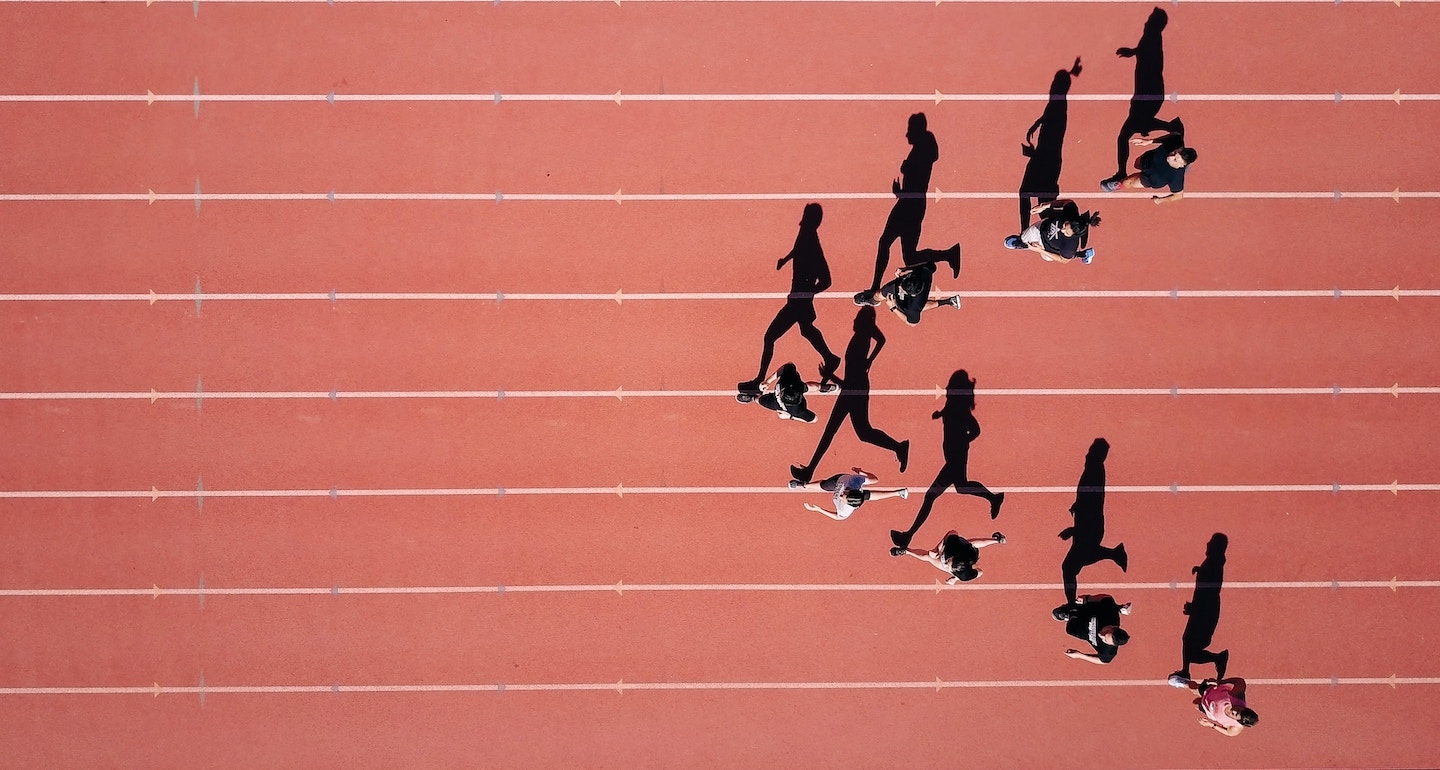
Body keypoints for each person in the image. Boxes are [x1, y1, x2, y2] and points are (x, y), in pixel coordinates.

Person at [789, 307, 910, 484]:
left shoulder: (862, 338)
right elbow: (881, 340)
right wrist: (869, 360)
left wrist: (831, 375)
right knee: (859, 432)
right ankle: (809, 471)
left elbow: (851, 381)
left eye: (857, 319)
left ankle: (899, 447)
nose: (854, 322)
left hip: (855, 389)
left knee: (848, 432)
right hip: (855, 388)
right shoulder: (864, 335)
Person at [890, 370, 1005, 550]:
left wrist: (962, 441)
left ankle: (908, 536)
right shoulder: (952, 405)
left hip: (956, 459)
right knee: (961, 487)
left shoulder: (961, 410)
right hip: (953, 456)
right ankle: (994, 498)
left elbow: (976, 430)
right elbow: (950, 414)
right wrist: (940, 414)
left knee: (930, 496)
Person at [855, 113, 961, 306]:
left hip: (909, 205)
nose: (907, 135)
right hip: (912, 203)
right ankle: (948, 254)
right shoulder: (925, 147)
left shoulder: (924, 148)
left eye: (910, 129)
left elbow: (919, 172)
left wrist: (905, 178)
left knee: (887, 243)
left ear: (917, 130)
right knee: (907, 254)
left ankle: (874, 291)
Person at [738, 203, 842, 395]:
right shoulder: (805, 235)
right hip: (797, 300)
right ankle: (830, 357)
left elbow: (827, 280)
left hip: (797, 302)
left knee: (770, 336)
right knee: (807, 330)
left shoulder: (812, 241)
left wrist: (807, 294)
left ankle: (759, 381)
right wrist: (785, 260)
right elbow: (798, 249)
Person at [1101, 8, 1186, 193]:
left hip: (1149, 97)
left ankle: (1121, 172)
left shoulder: (1153, 38)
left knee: (1125, 135)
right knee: (1138, 129)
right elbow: (1149, 56)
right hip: (1149, 98)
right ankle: (1173, 133)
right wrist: (1134, 52)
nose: (1146, 23)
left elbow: (1155, 62)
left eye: (1149, 21)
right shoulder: (1151, 38)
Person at [1060, 439, 1128, 604]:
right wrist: (1077, 505)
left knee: (1069, 568)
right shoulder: (1093, 470)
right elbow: (1088, 499)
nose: (1087, 454)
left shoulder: (1094, 471)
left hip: (1089, 529)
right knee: (1077, 562)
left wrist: (1073, 530)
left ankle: (1072, 606)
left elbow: (1092, 504)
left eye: (1090, 451)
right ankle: (1115, 553)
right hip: (1089, 527)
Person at [1018, 58, 1082, 232]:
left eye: (1054, 83)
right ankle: (1027, 231)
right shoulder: (1057, 103)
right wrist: (1037, 123)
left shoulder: (1059, 106)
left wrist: (1033, 154)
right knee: (1040, 203)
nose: (1052, 85)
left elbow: (1052, 140)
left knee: (1033, 198)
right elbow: (1049, 118)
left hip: (1046, 160)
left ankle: (1072, 225)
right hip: (1046, 158)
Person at [1172, 533, 1231, 681]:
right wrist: (1200, 570)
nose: (1208, 543)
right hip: (1204, 608)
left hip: (1205, 610)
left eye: (1211, 541)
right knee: (1188, 641)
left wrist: (1195, 608)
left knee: (1190, 644)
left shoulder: (1215, 561)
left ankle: (1217, 658)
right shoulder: (1214, 560)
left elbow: (1209, 591)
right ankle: (1188, 669)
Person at [1101, 125, 1196, 204]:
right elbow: (1174, 135)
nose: (1170, 157)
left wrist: (1160, 200)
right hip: (1149, 159)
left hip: (1151, 178)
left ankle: (1118, 185)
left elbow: (1178, 196)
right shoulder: (1176, 142)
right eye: (1174, 153)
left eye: (1175, 159)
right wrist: (1150, 141)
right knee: (1137, 163)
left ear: (1182, 165)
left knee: (1128, 182)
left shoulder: (1176, 177)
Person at [855, 262, 962, 326]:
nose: (900, 285)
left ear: (910, 294)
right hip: (916, 300)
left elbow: (912, 323)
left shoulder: (913, 307)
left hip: (906, 303)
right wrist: (905, 269)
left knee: (917, 308)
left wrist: (893, 308)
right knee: (879, 293)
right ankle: (949, 301)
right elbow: (930, 265)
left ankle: (874, 300)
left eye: (903, 286)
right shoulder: (925, 273)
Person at [789, 467, 908, 520]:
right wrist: (862, 472)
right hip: (839, 479)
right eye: (844, 494)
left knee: (868, 496)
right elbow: (875, 479)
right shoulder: (855, 480)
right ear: (853, 490)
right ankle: (803, 485)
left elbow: (837, 517)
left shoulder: (846, 510)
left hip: (854, 494)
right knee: (824, 485)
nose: (841, 495)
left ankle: (898, 493)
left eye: (843, 497)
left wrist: (819, 510)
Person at [1003, 200, 1100, 264]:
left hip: (1047, 249)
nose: (1061, 230)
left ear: (1074, 235)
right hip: (1041, 228)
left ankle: (1081, 254)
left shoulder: (1070, 245)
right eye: (1064, 225)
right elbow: (1067, 202)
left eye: (1066, 232)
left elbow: (1063, 260)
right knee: (1024, 237)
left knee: (1048, 258)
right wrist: (1043, 206)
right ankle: (1022, 243)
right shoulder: (1071, 211)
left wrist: (1041, 250)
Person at [890, 530, 1005, 584]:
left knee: (928, 558)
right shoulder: (953, 546)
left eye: (949, 566)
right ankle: (997, 540)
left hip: (966, 557)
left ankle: (907, 551)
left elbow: (980, 572)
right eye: (949, 561)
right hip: (962, 547)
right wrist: (938, 549)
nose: (946, 563)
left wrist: (956, 578)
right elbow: (952, 532)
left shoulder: (965, 576)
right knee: (971, 543)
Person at [737, 362, 833, 423]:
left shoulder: (797, 410)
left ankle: (753, 398)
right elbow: (787, 366)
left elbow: (814, 419)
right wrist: (767, 381)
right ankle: (822, 387)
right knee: (808, 387)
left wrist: (790, 417)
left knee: (761, 401)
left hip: (777, 405)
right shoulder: (790, 382)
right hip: (792, 398)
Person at [1053, 593, 1132, 664]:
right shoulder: (1110, 613)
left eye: (1104, 640)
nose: (1101, 635)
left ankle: (1071, 617)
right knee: (1080, 607)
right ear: (1113, 626)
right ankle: (1071, 611)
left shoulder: (1109, 651)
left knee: (1070, 630)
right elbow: (1106, 598)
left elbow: (1102, 661)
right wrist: (1087, 598)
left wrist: (1080, 655)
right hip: (1091, 612)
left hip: (1085, 632)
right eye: (1105, 632)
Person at [1168, 676, 1259, 736]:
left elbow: (1228, 732)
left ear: (1238, 721)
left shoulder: (1236, 728)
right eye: (1238, 709)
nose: (1234, 710)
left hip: (1209, 709)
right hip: (1212, 692)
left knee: (1195, 703)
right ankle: (1183, 682)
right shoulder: (1236, 695)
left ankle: (1199, 698)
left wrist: (1211, 725)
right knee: (1194, 688)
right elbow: (1240, 681)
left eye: (1235, 714)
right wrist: (1220, 682)